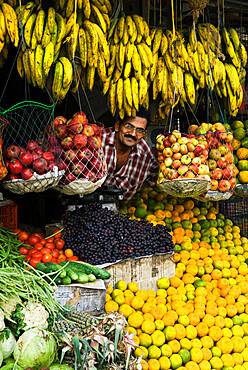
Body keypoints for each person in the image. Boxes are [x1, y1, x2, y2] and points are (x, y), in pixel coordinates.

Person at [101, 108, 159, 200]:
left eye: (140, 130)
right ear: (117, 125)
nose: (133, 134)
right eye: (129, 126)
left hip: (123, 210)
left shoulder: (146, 156)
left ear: (144, 134)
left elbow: (159, 181)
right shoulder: (99, 141)